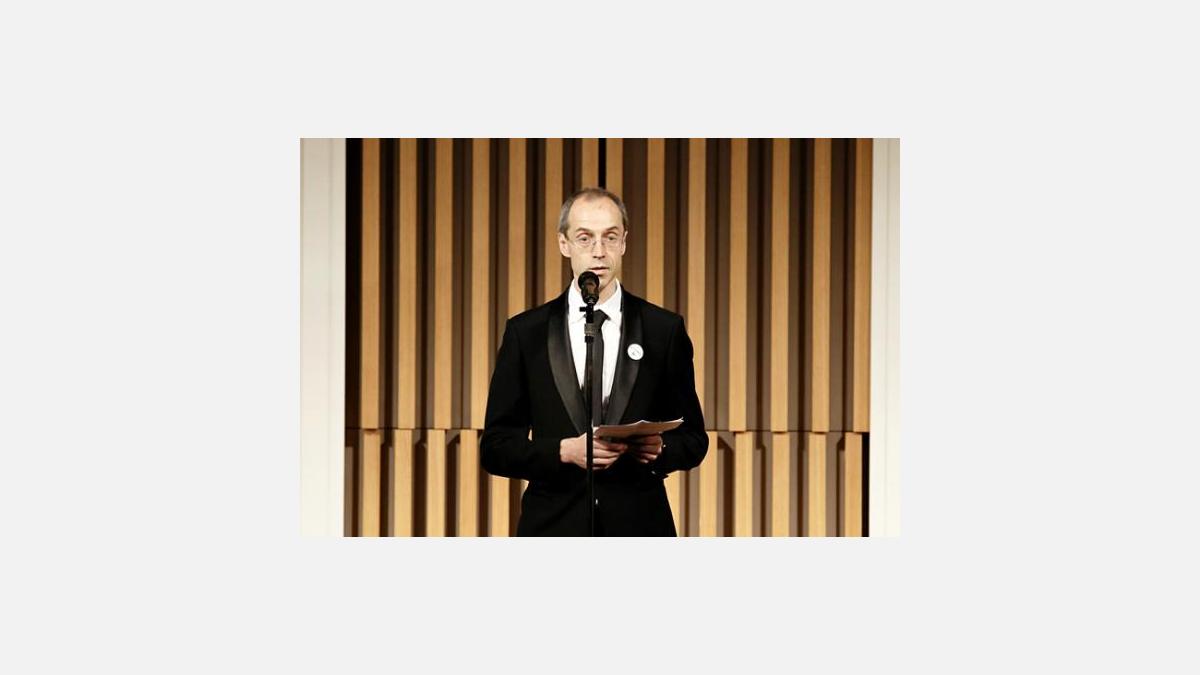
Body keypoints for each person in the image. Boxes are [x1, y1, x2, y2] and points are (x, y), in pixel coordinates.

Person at [480, 186, 708, 536]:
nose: (599, 252)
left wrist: (662, 448)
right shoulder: (526, 333)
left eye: (610, 237)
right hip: (552, 528)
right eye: (585, 238)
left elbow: (693, 439)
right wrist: (561, 451)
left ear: (624, 243)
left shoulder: (663, 330)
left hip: (639, 527)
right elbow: (496, 448)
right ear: (564, 244)